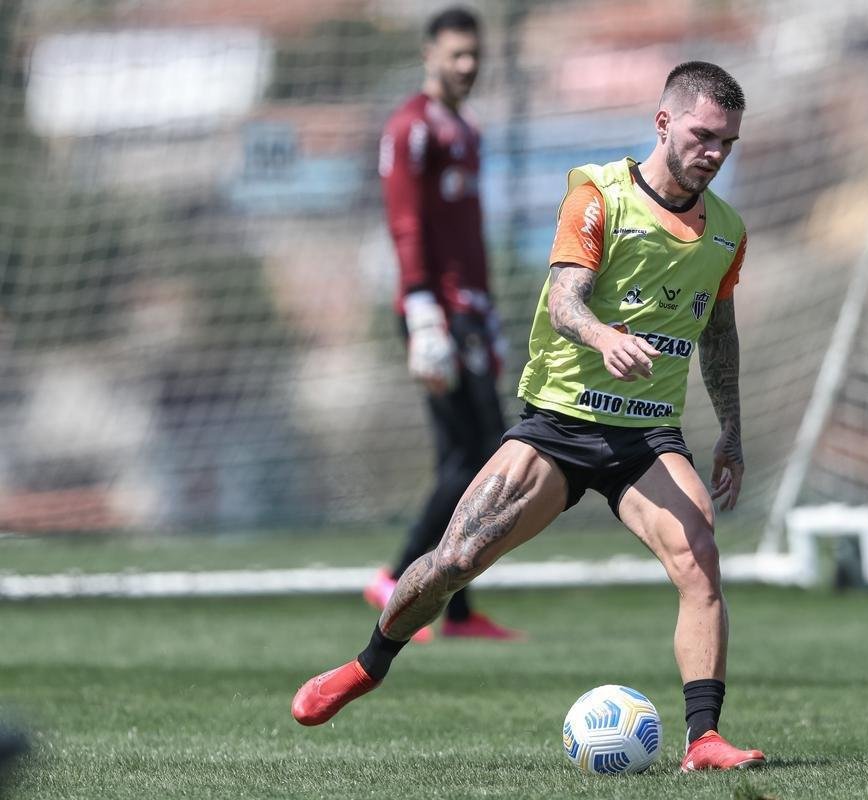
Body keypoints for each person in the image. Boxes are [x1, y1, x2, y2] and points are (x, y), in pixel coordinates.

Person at [294, 60, 765, 772]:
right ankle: (368, 664)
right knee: (454, 561)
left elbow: (718, 333)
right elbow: (565, 300)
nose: (714, 152)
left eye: (727, 141)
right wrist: (604, 336)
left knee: (699, 562)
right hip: (559, 426)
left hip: (645, 438)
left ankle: (703, 740)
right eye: (703, 135)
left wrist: (728, 427)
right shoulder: (597, 197)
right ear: (663, 123)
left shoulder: (726, 231)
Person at [366, 6, 520, 642]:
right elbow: (405, 224)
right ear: (429, 53)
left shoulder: (466, 128)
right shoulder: (411, 128)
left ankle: (454, 609)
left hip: (469, 314)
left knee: (474, 456)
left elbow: (466, 237)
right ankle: (398, 573)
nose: (467, 65)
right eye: (456, 54)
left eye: (474, 55)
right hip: (437, 314)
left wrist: (485, 313)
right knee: (479, 457)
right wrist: (424, 312)